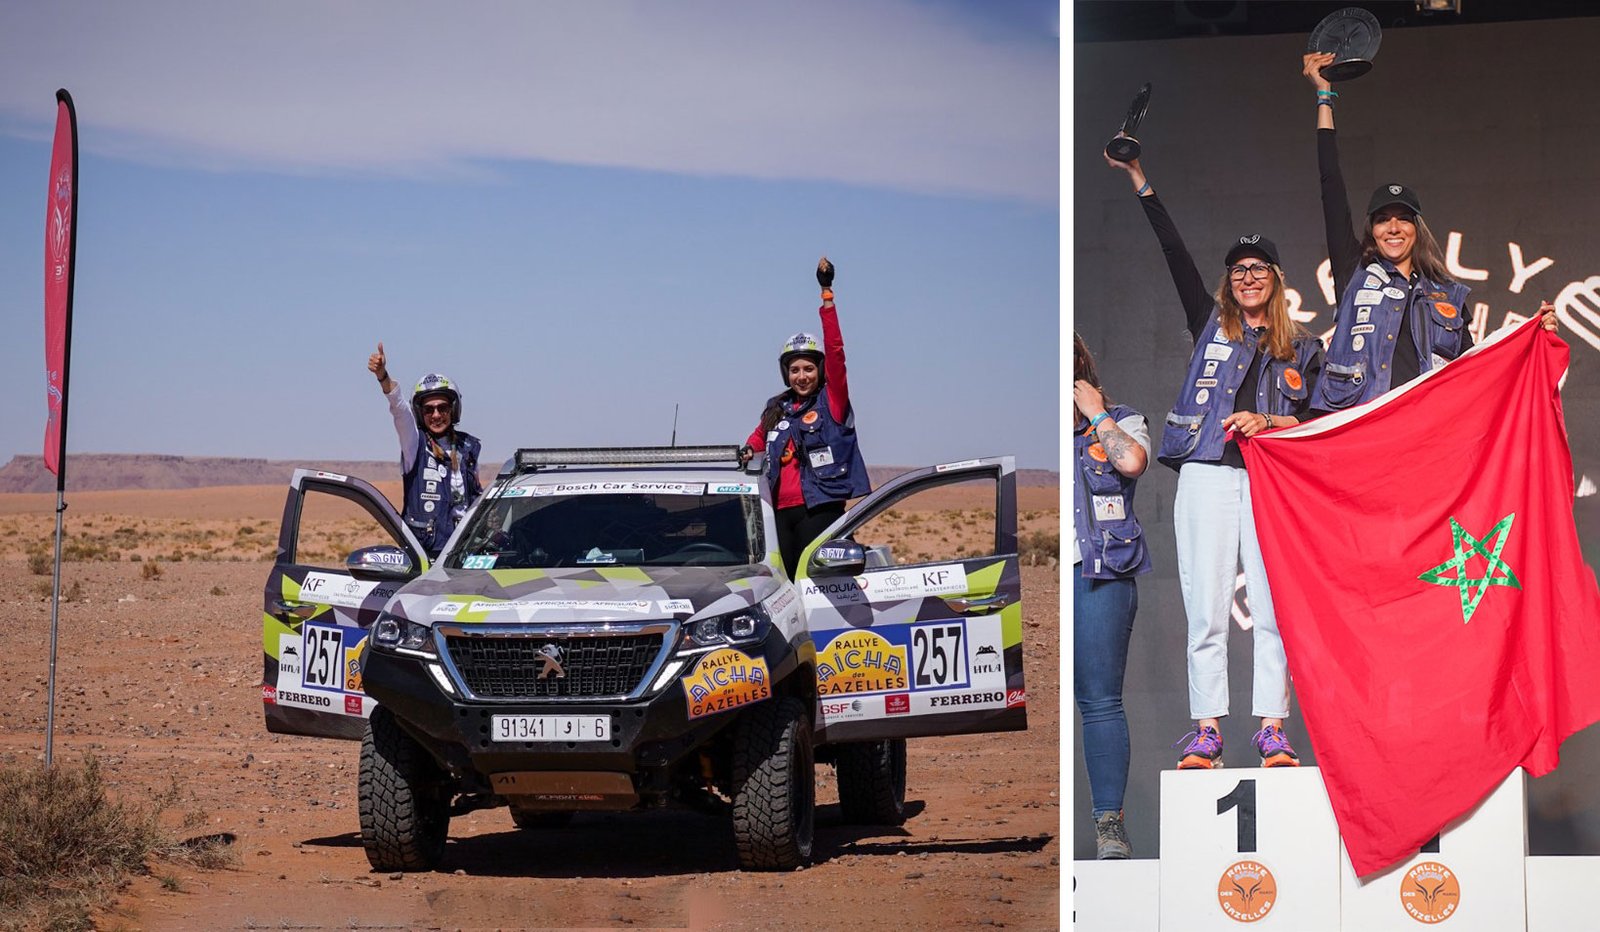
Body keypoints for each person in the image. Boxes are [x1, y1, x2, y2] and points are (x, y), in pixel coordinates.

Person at [1105, 143, 1323, 770]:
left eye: (1259, 268)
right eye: (1238, 269)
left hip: (1270, 481)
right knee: (1205, 605)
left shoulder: (1302, 348)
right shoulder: (1210, 324)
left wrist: (1273, 420)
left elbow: (1318, 419)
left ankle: (1273, 729)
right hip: (1205, 474)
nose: (1248, 276)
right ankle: (1207, 730)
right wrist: (1140, 177)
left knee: (1275, 606)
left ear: (1278, 279)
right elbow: (1174, 252)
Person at [1301, 51, 1557, 411]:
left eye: (1403, 219)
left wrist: (1530, 336)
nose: (1393, 227)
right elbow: (1331, 184)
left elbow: (1477, 366)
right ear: (1371, 230)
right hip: (1358, 430)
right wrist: (1324, 96)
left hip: (1422, 431)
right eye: (1382, 219)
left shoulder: (1448, 295)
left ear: (1416, 229)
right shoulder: (1353, 272)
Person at [1072, 332, 1152, 859]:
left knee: (1099, 702)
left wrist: (1097, 414)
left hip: (1102, 575)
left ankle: (1109, 829)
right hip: (1054, 575)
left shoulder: (1122, 418)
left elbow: (1132, 464)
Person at [741, 258, 870, 578]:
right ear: (786, 373)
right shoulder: (777, 407)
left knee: (820, 583)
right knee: (783, 585)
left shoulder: (832, 401)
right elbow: (757, 440)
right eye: (795, 369)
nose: (802, 376)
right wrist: (746, 450)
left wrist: (827, 296)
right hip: (778, 514)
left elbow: (837, 352)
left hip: (819, 510)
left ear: (820, 370)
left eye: (809, 368)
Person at [367, 342, 484, 559]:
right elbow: (399, 411)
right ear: (420, 413)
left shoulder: (469, 448)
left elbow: (475, 499)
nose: (437, 415)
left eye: (443, 408)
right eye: (429, 409)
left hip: (464, 555)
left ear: (454, 409)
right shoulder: (414, 444)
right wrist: (383, 376)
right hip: (425, 557)